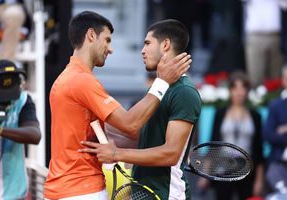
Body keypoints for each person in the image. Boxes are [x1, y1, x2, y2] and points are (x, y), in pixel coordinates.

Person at [43, 11, 191, 200]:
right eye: (106, 40)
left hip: (62, 189)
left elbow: (117, 134)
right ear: (90, 35)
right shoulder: (82, 81)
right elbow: (130, 125)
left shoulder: (65, 78)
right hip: (82, 191)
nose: (110, 48)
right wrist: (161, 82)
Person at [80, 19, 201, 200]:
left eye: (147, 43)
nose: (142, 50)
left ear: (165, 45)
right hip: (143, 193)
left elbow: (171, 153)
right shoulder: (160, 89)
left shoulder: (184, 92)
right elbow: (145, 142)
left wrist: (116, 154)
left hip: (166, 195)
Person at [198, 71, 265, 199]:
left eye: (242, 88)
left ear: (247, 91)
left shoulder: (255, 116)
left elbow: (259, 150)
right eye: (235, 88)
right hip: (223, 169)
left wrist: (259, 180)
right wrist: (206, 174)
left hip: (247, 170)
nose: (239, 92)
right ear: (230, 91)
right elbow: (213, 143)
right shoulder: (221, 113)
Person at [0, 59, 41, 200]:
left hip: (14, 194)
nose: (6, 101)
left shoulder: (22, 100)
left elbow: (35, 135)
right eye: (1, 95)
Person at [263, 64, 287, 194]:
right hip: (279, 163)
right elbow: (268, 135)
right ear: (283, 81)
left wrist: (285, 130)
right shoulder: (276, 105)